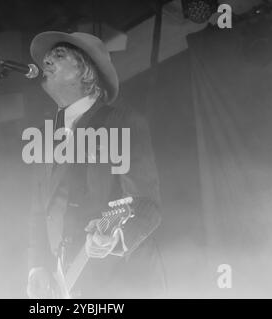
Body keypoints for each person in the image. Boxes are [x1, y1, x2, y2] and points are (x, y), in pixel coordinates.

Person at [26, 31, 165, 298]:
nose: (46, 62)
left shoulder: (122, 123)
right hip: (67, 279)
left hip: (122, 283)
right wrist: (37, 265)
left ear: (85, 70)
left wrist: (116, 237)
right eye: (46, 58)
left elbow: (147, 203)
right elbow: (39, 207)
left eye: (59, 55)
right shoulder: (46, 134)